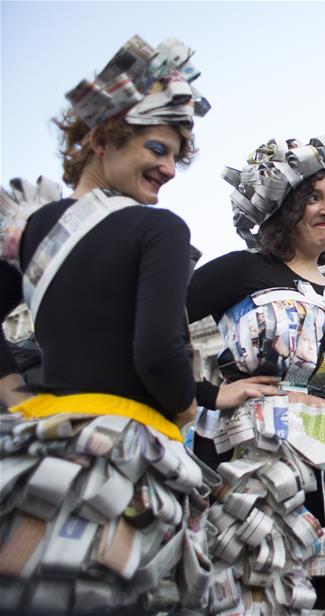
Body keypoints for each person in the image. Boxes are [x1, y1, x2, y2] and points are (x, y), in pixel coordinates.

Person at [0, 35, 212, 613]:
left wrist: (11, 390)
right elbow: (159, 350)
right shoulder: (160, 229)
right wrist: (186, 404)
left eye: (174, 156)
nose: (168, 168)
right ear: (101, 139)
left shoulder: (34, 226)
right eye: (156, 148)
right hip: (124, 446)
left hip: (43, 439)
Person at [186, 134, 325, 613]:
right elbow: (157, 324)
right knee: (255, 576)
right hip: (251, 453)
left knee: (322, 579)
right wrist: (207, 393)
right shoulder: (243, 270)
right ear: (284, 206)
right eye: (314, 199)